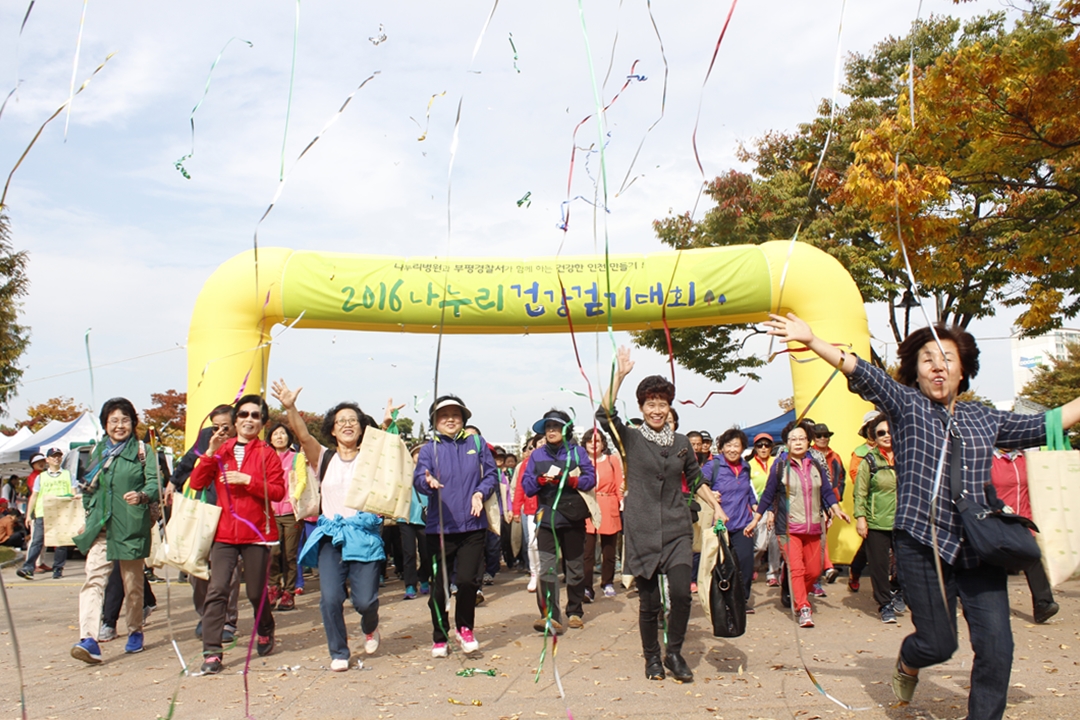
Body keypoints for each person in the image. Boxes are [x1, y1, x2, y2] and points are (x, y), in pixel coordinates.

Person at [765, 313, 1080, 718]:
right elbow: (863, 372)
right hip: (921, 544)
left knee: (997, 648)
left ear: (963, 370)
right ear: (916, 371)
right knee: (937, 644)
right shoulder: (906, 405)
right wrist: (812, 340)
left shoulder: (985, 418)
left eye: (948, 359)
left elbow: (1045, 423)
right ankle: (908, 660)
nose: (937, 366)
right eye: (928, 359)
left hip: (978, 546)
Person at [597, 347, 724, 682]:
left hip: (677, 528)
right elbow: (604, 414)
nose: (656, 410)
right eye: (650, 404)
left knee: (681, 594)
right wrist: (619, 376)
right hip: (642, 530)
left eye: (662, 404)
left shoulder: (681, 442)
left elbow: (695, 478)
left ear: (669, 408)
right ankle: (652, 658)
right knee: (650, 602)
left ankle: (675, 653)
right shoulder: (630, 438)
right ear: (642, 408)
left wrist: (716, 505)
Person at [272, 380, 389, 673]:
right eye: (341, 421)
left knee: (365, 601)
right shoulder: (324, 457)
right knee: (331, 599)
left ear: (362, 428)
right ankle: (339, 651)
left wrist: (388, 424)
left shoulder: (371, 458)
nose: (347, 424)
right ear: (333, 430)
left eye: (353, 420)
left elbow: (391, 455)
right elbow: (302, 434)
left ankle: (370, 626)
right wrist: (290, 407)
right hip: (331, 536)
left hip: (364, 535)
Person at [188, 394, 286, 675]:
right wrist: (209, 453)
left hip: (256, 533)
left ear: (262, 422)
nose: (249, 420)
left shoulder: (267, 453)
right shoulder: (222, 450)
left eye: (255, 415)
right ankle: (212, 651)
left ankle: (265, 627)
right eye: (243, 414)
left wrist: (249, 481)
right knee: (217, 589)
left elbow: (278, 492)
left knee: (255, 592)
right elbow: (196, 482)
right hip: (224, 534)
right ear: (235, 420)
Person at [71, 398, 160, 664]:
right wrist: (89, 515)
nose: (119, 426)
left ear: (133, 423)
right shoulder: (97, 452)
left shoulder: (143, 451)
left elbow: (155, 482)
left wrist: (142, 495)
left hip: (131, 525)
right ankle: (89, 638)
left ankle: (135, 630)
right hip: (102, 526)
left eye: (125, 420)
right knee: (93, 580)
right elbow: (89, 488)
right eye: (113, 421)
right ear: (105, 424)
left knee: (132, 584)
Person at [413, 395, 498, 659]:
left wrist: (480, 493)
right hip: (440, 528)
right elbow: (419, 479)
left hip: (473, 525)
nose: (450, 419)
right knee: (439, 588)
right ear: (434, 421)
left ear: (463, 418)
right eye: (443, 415)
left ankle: (465, 629)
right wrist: (427, 482)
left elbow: (491, 474)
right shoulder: (429, 449)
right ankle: (440, 636)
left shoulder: (476, 443)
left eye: (455, 414)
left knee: (467, 581)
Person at [746, 419, 850, 629]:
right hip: (788, 528)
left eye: (802, 438)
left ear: (808, 441)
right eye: (793, 439)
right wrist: (756, 519)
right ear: (787, 443)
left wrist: (836, 508)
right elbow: (768, 495)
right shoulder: (780, 466)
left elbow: (826, 490)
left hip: (813, 527)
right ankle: (803, 607)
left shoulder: (816, 465)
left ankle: (795, 588)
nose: (798, 442)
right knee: (797, 569)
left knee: (813, 571)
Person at [169, 404, 241, 642]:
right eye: (215, 426)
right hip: (205, 509)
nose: (220, 431)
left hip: (232, 513)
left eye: (225, 427)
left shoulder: (243, 442)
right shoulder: (206, 438)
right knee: (196, 568)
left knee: (228, 571)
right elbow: (190, 459)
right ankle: (207, 615)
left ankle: (227, 621)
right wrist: (173, 481)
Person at [522, 409, 596, 632]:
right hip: (546, 519)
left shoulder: (578, 452)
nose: (551, 431)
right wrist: (539, 481)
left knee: (575, 567)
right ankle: (550, 616)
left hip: (573, 518)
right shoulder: (537, 455)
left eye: (556, 427)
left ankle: (575, 611)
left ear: (566, 430)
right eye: (548, 427)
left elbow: (590, 478)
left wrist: (570, 481)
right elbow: (527, 486)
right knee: (546, 568)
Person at [990, 448, 1058, 624]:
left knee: (1032, 556)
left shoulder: (1024, 458)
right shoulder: (988, 459)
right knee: (992, 564)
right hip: (998, 520)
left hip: (1023, 519)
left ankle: (1043, 604)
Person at [853, 414, 903, 623]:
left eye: (890, 432)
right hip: (877, 521)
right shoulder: (869, 461)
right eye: (881, 433)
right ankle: (885, 604)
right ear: (874, 436)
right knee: (879, 566)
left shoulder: (906, 456)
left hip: (903, 521)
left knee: (907, 563)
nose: (886, 436)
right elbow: (860, 492)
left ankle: (898, 590)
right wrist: (861, 518)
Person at [703, 429, 757, 611]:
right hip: (720, 525)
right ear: (721, 447)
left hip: (743, 524)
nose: (732, 449)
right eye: (729, 445)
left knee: (745, 563)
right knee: (722, 565)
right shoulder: (713, 466)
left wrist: (755, 506)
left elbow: (748, 490)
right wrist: (711, 494)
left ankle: (741, 600)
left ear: (743, 448)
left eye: (736, 445)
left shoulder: (745, 466)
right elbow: (698, 485)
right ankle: (722, 601)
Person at [18, 447, 77, 580]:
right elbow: (34, 496)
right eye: (53, 456)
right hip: (43, 512)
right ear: (47, 460)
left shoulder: (68, 475)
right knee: (37, 541)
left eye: (59, 456)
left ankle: (58, 568)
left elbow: (73, 493)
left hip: (62, 513)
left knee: (61, 542)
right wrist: (29, 515)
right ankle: (28, 568)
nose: (56, 459)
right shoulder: (41, 477)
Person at [582, 428, 623, 599]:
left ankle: (607, 582)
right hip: (588, 506)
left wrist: (622, 501)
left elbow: (619, 483)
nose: (593, 444)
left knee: (609, 549)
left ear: (603, 443)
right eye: (590, 441)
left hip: (608, 504)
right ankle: (586, 587)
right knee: (587, 551)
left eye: (597, 441)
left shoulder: (612, 460)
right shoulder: (581, 461)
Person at [266, 421, 301, 611]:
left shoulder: (296, 458)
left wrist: (294, 497)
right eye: (276, 434)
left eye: (283, 433)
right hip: (270, 514)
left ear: (289, 437)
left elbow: (302, 480)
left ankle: (289, 592)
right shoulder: (265, 458)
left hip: (290, 513)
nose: (279, 437)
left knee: (289, 555)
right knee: (273, 553)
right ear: (270, 439)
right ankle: (273, 587)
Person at [400, 444, 432, 600]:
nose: (419, 455)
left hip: (424, 517)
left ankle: (424, 578)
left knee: (426, 552)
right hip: (405, 517)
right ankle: (410, 584)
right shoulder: (403, 471)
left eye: (422, 452)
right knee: (409, 553)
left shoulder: (431, 471)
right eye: (416, 452)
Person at [512, 435, 543, 592]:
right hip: (532, 508)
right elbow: (520, 487)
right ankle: (534, 573)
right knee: (532, 542)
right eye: (537, 444)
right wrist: (516, 509)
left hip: (551, 507)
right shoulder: (526, 464)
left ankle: (546, 573)